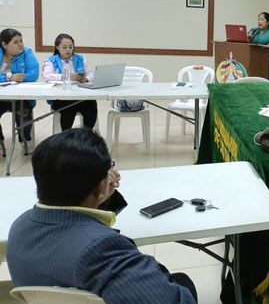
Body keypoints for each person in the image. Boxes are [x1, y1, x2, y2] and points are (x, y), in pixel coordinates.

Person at [7, 128, 198, 303]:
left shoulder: (19, 227)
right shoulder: (101, 249)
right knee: (183, 283)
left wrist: (102, 196)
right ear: (100, 187)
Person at [42, 33, 98, 131]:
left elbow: (91, 74)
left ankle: (87, 134)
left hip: (81, 96)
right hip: (62, 97)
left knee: (91, 104)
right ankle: (66, 135)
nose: (68, 50)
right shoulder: (51, 60)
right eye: (64, 47)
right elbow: (46, 76)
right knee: (67, 110)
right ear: (57, 47)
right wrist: (65, 76)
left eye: (70, 47)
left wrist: (86, 79)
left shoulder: (81, 59)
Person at [0, 28, 39, 156]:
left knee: (24, 114)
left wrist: (24, 77)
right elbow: (10, 77)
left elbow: (34, 74)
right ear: (4, 44)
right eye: (15, 42)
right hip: (1, 97)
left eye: (21, 41)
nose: (20, 44)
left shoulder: (27, 53)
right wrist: (9, 78)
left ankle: (25, 139)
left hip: (20, 97)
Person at [247, 12, 269, 82]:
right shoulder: (253, 31)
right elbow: (246, 43)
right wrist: (248, 38)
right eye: (259, 19)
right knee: (254, 82)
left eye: (262, 19)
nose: (259, 21)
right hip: (255, 61)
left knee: (266, 82)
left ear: (268, 22)